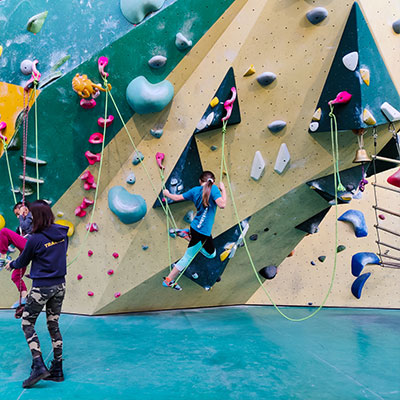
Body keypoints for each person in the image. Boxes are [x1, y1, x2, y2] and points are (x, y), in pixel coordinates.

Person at [5, 200, 69, 388]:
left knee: (27, 323)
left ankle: (39, 365)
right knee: (53, 324)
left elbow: (23, 260)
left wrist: (11, 264)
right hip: (60, 285)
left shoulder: (34, 239)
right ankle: (57, 369)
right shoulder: (63, 233)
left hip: (42, 287)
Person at [162, 171, 226, 290]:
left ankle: (186, 234)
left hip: (197, 228)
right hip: (202, 233)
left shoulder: (195, 190)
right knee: (189, 257)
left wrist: (167, 193)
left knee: (212, 254)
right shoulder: (215, 189)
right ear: (213, 181)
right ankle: (169, 280)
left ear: (200, 181)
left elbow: (176, 198)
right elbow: (222, 205)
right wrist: (223, 190)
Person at [0, 202, 33, 307]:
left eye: (18, 213)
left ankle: (3, 257)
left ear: (24, 209)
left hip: (30, 245)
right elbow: (8, 239)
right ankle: (24, 298)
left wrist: (23, 214)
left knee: (4, 231)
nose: (18, 217)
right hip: (25, 251)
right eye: (17, 215)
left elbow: (25, 225)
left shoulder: (31, 216)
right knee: (15, 276)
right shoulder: (20, 227)